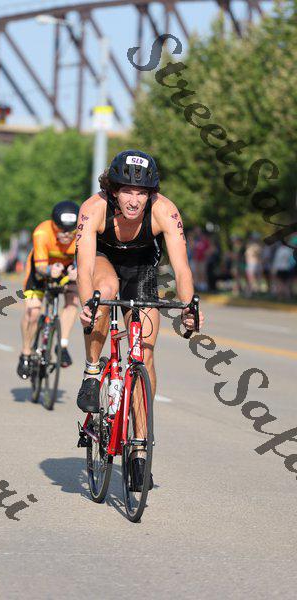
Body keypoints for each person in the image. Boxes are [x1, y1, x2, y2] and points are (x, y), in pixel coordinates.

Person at [75, 149, 204, 488]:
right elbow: (84, 267)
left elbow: (181, 268)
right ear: (113, 190)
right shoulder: (93, 208)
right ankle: (92, 370)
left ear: (151, 193)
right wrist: (88, 303)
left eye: (142, 192)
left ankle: (139, 447)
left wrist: (189, 307)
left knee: (144, 352)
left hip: (142, 268)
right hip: (103, 262)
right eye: (127, 191)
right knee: (105, 289)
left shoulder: (165, 210)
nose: (134, 200)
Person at [17, 201, 80, 379]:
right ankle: (26, 353)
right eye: (61, 230)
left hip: (65, 270)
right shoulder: (42, 232)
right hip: (41, 269)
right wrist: (49, 270)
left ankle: (62, 345)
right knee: (33, 312)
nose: (66, 234)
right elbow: (39, 268)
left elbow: (85, 261)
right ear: (53, 225)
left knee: (73, 300)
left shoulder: (81, 235)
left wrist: (78, 271)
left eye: (71, 230)